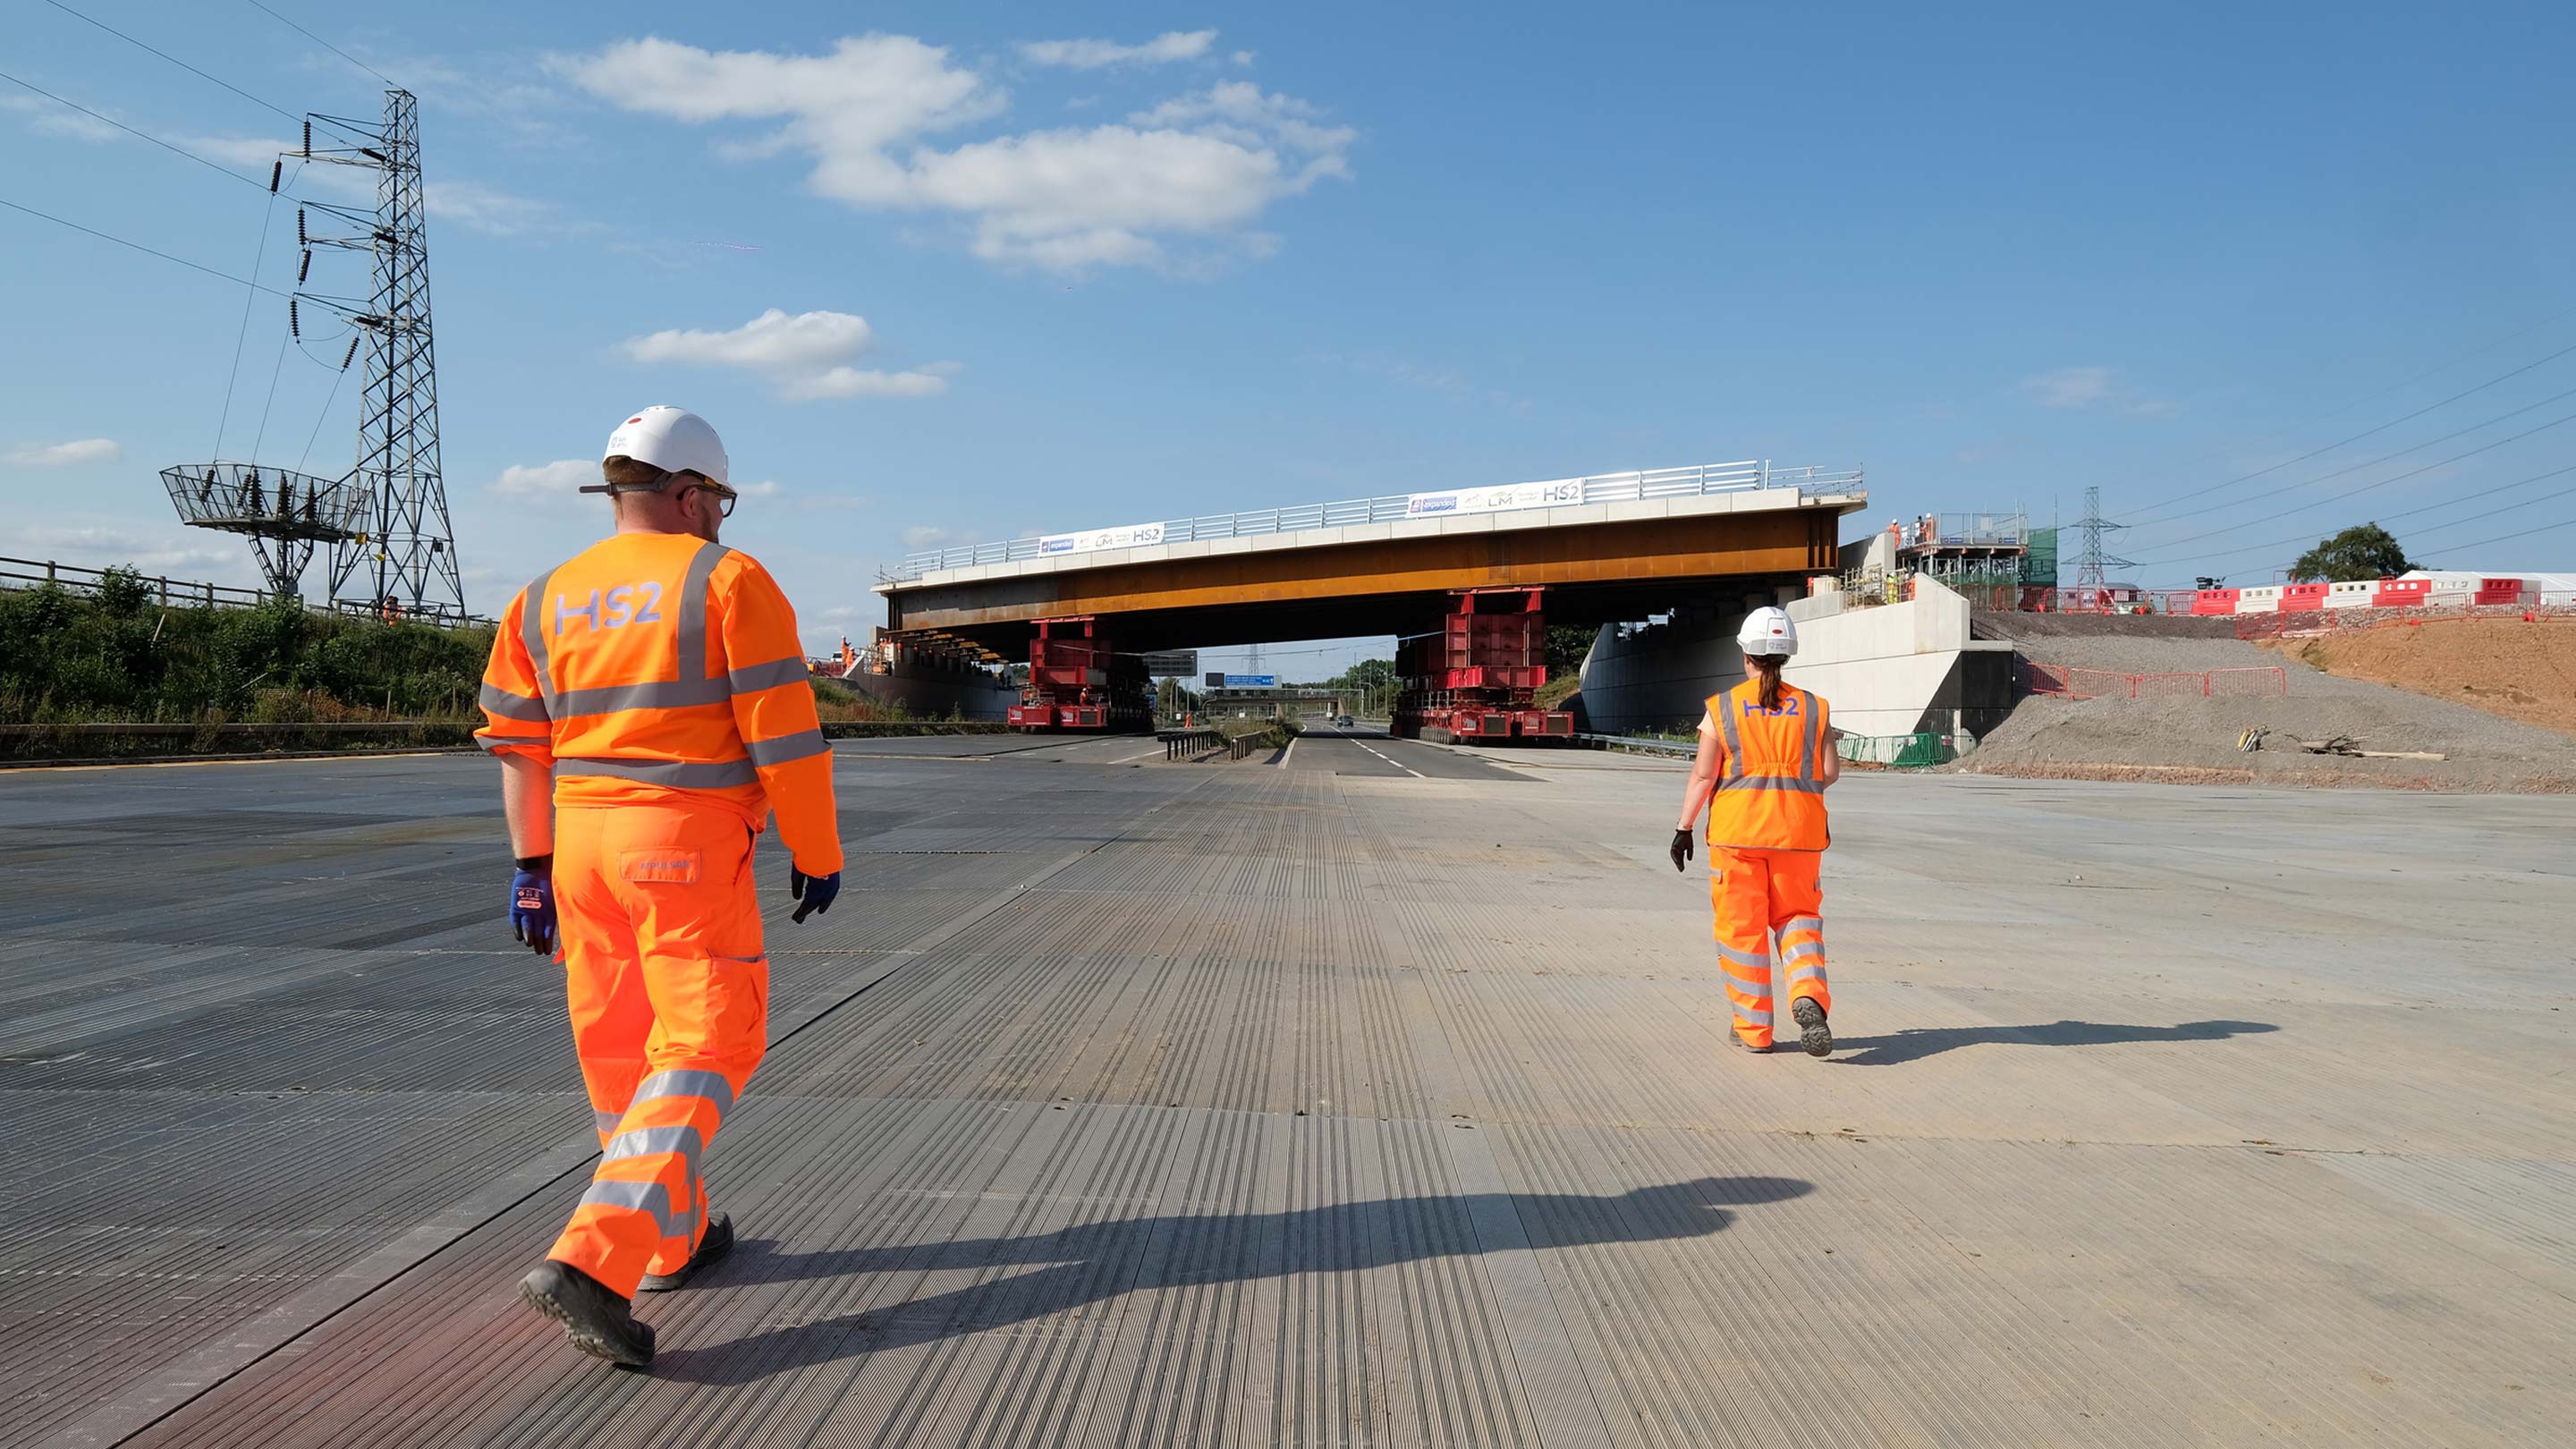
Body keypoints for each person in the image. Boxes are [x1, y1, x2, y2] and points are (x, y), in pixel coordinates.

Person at [474, 405, 844, 1368]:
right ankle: (595, 1263)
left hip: (579, 850)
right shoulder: (726, 579)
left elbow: (515, 744)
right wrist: (815, 847)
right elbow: (785, 733)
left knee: (621, 1051)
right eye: (716, 499)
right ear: (686, 494)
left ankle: (670, 1239)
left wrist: (529, 866)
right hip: (680, 844)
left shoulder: (545, 596)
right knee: (714, 1038)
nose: (720, 516)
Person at [1667, 606, 1839, 1057]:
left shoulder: (1721, 708)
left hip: (1737, 836)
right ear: (1786, 657)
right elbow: (1829, 772)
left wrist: (1684, 827)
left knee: (1742, 933)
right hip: (1800, 836)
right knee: (1799, 920)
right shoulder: (1815, 708)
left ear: (1745, 654)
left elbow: (1704, 777)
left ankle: (1753, 1031)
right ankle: (1806, 993)